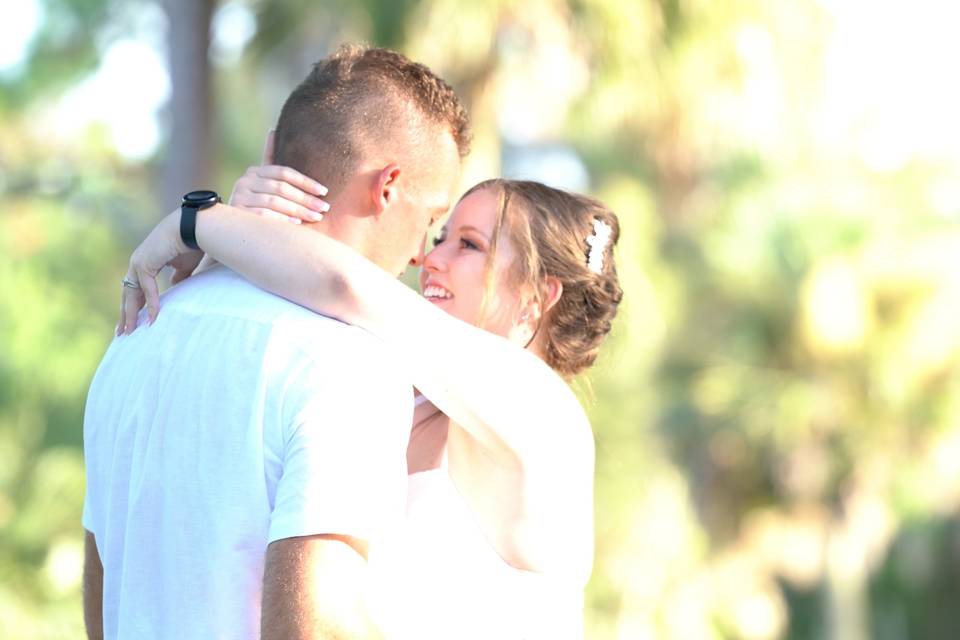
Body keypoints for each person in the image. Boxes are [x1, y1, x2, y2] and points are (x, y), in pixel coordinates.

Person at [121, 160, 623, 637]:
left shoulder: (545, 414)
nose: (431, 258)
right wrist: (244, 226)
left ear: (537, 297)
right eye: (441, 236)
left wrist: (198, 222)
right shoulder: (397, 392)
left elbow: (346, 285)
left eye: (469, 246)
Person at [81, 44, 469, 640]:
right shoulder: (348, 364)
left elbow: (104, 589)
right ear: (388, 186)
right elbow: (316, 623)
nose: (423, 253)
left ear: (269, 154)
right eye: (431, 221)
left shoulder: (138, 331)